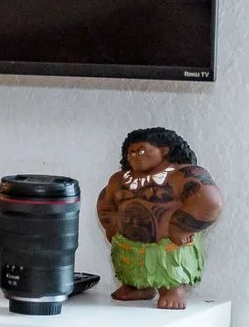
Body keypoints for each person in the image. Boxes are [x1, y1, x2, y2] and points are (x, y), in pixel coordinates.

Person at [95, 128, 223, 310]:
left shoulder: (184, 175)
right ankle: (137, 286)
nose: (134, 156)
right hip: (128, 246)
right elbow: (105, 203)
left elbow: (210, 202)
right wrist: (110, 226)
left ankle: (172, 290)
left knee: (168, 267)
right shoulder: (119, 179)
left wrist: (182, 227)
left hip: (168, 248)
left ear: (165, 151)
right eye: (130, 152)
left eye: (141, 150)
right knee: (129, 264)